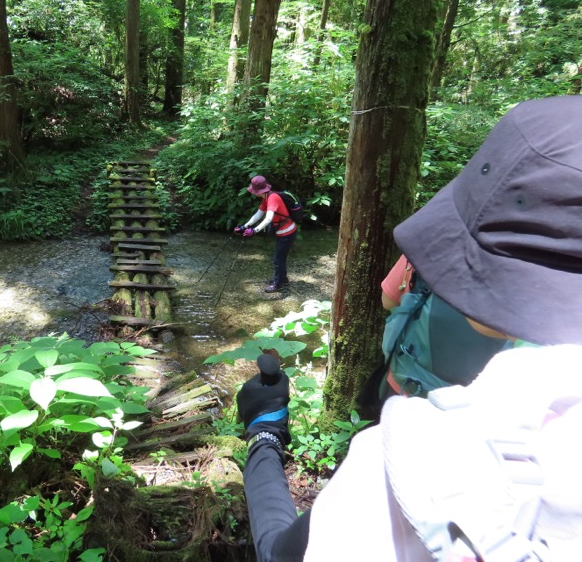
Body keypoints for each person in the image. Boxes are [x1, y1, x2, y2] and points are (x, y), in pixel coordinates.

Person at [236, 95, 582, 561]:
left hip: (410, 398)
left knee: (280, 269)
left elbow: (282, 553)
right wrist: (250, 226)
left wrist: (265, 428)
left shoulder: (409, 464)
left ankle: (277, 286)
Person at [377, 253, 508, 400]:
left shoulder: (431, 241)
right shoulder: (528, 266)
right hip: (478, 405)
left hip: (408, 388)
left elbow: (387, 301)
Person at [235, 175, 298, 293]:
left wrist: (254, 231)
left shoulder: (273, 198)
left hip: (287, 232)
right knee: (280, 258)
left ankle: (278, 284)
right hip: (283, 232)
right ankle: (282, 279)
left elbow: (268, 219)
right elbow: (258, 215)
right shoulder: (267, 197)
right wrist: (245, 226)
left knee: (278, 259)